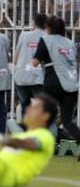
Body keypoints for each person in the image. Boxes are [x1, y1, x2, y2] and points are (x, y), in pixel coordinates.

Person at [33, 16, 80, 144]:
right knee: (67, 121)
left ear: (49, 27)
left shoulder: (45, 40)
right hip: (71, 86)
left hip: (53, 83)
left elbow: (34, 62)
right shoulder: (70, 42)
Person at [15, 13, 47, 116]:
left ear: (34, 22)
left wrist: (15, 68)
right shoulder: (47, 37)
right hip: (39, 77)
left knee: (25, 107)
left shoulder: (24, 35)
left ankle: (26, 130)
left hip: (22, 75)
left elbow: (16, 55)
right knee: (42, 108)